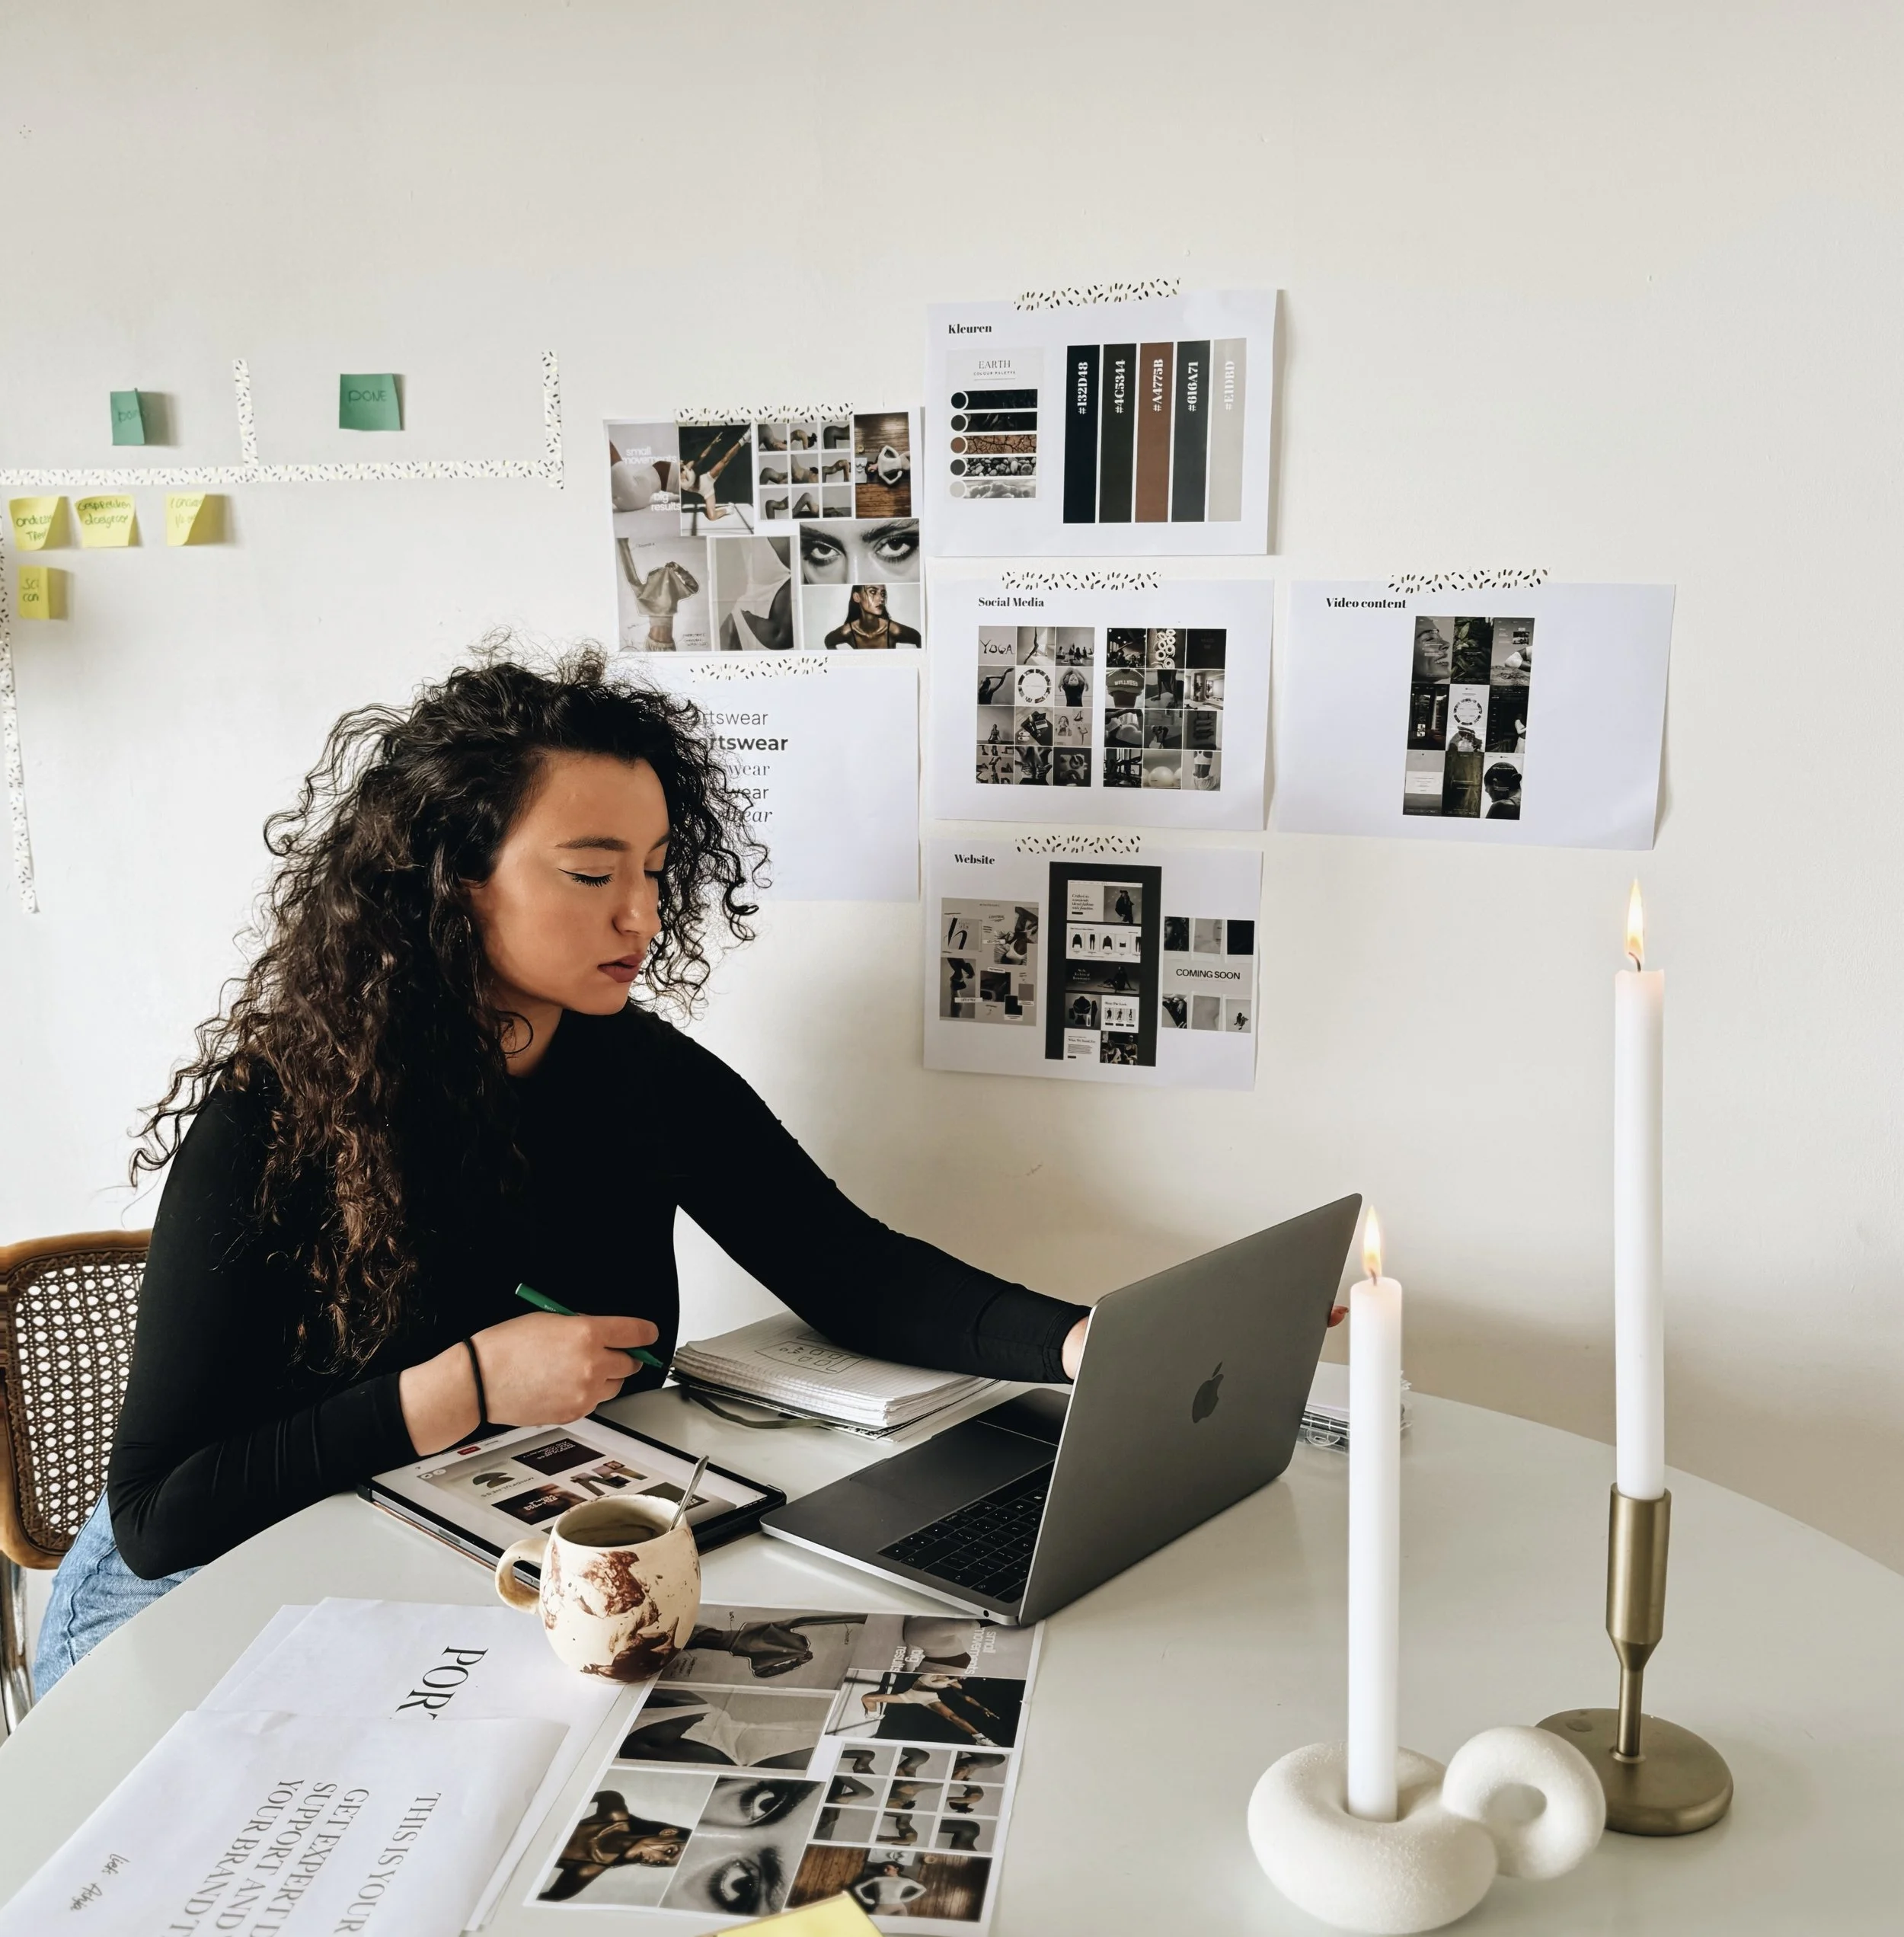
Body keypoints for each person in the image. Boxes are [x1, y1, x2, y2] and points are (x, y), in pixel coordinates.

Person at [34, 650, 1091, 1692]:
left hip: (453, 1545)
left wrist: (1077, 1340)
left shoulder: (641, 1069)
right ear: (452, 880)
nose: (642, 914)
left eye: (655, 868)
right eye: (592, 873)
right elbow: (158, 1513)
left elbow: (847, 1266)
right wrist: (471, 1384)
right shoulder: (280, 1111)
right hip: (185, 1596)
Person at [539, 1792, 689, 1900]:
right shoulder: (614, 1812)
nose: (653, 1860)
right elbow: (577, 1792)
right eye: (669, 1851)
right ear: (668, 1832)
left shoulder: (586, 1870)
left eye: (661, 1863)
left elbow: (552, 1898)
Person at [823, 582, 921, 650]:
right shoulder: (848, 632)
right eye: (873, 592)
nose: (881, 599)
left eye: (883, 594)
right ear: (857, 597)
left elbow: (919, 639)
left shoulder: (893, 630)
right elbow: (829, 641)